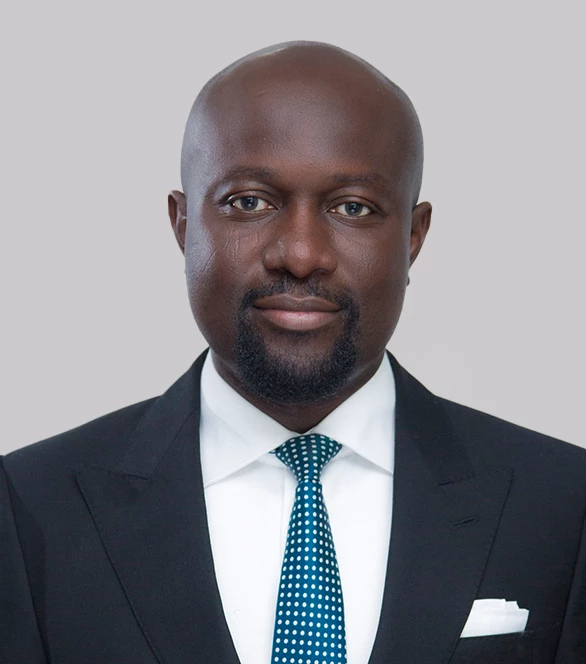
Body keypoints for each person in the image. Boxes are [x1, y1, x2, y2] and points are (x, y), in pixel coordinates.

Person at [1, 41, 584, 664]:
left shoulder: (563, 504)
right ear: (183, 224)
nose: (301, 255)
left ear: (413, 237)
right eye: (249, 202)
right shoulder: (28, 507)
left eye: (353, 208)